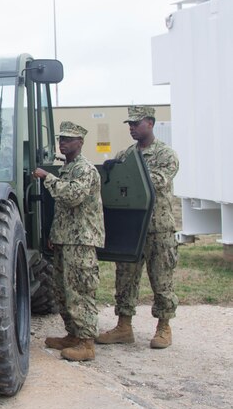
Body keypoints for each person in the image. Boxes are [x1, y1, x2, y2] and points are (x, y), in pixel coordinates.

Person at [97, 105, 180, 349]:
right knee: (125, 278)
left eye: (136, 123)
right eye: (130, 124)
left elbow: (156, 182)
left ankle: (164, 327)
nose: (132, 128)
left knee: (162, 279)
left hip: (158, 229)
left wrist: (126, 175)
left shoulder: (166, 155)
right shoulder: (126, 155)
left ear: (150, 124)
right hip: (131, 227)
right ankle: (124, 326)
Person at [32, 121, 104, 362]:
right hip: (66, 240)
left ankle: (86, 343)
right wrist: (55, 236)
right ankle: (73, 334)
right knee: (63, 291)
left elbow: (72, 197)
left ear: (80, 143)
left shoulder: (85, 169)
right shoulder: (68, 169)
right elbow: (62, 212)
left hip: (81, 242)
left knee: (80, 291)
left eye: (68, 139)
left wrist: (47, 178)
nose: (62, 143)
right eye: (60, 139)